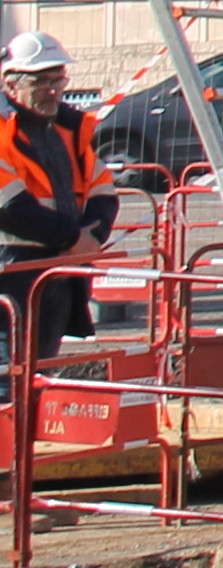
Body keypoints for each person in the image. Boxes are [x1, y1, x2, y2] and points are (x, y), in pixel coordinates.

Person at [0, 33, 117, 351]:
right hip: (10, 274)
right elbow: (8, 208)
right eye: (40, 81)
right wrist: (74, 240)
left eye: (58, 79)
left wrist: (88, 240)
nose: (53, 90)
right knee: (7, 386)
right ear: (11, 84)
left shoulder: (67, 129)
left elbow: (103, 191)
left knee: (38, 378)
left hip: (53, 276)